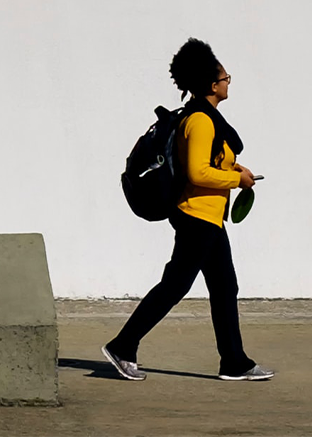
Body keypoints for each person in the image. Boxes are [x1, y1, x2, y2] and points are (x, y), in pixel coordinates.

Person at [102, 38, 275, 381]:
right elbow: (197, 171)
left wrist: (236, 171)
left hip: (209, 217)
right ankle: (123, 345)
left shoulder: (206, 118)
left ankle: (234, 361)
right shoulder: (200, 121)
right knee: (175, 286)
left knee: (225, 286)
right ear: (212, 86)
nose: (228, 83)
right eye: (226, 79)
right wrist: (235, 181)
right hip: (197, 216)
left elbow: (209, 164)